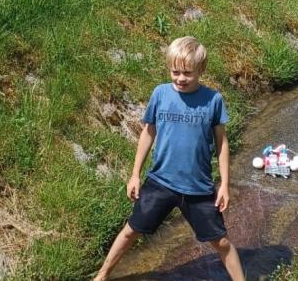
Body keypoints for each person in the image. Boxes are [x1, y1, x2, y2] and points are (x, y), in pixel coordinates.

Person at [93, 37, 244, 281]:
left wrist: (224, 184)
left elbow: (222, 142)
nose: (180, 78)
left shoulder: (213, 100)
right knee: (131, 231)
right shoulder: (160, 94)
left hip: (198, 187)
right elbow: (148, 132)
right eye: (175, 72)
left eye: (187, 73)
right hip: (160, 182)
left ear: (201, 70)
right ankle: (101, 276)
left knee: (222, 241)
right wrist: (134, 175)